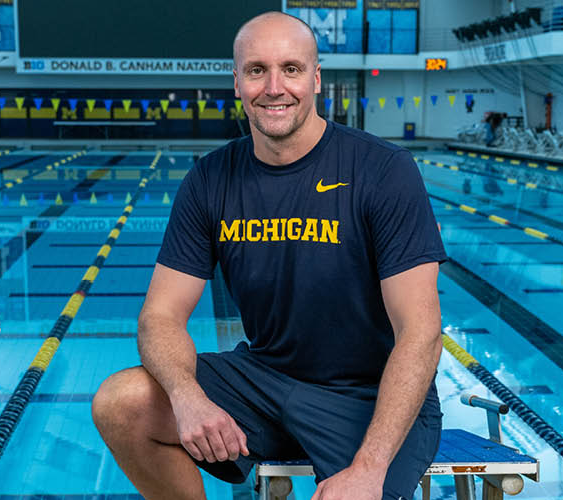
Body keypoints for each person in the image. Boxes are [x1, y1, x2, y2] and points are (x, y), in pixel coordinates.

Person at [91, 11, 447, 500]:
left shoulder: (383, 171)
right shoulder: (210, 180)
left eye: (292, 69)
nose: (274, 87)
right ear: (236, 82)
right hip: (264, 382)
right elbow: (159, 316)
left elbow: (421, 333)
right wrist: (187, 397)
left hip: (367, 397)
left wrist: (369, 467)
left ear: (316, 79)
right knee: (120, 402)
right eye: (256, 70)